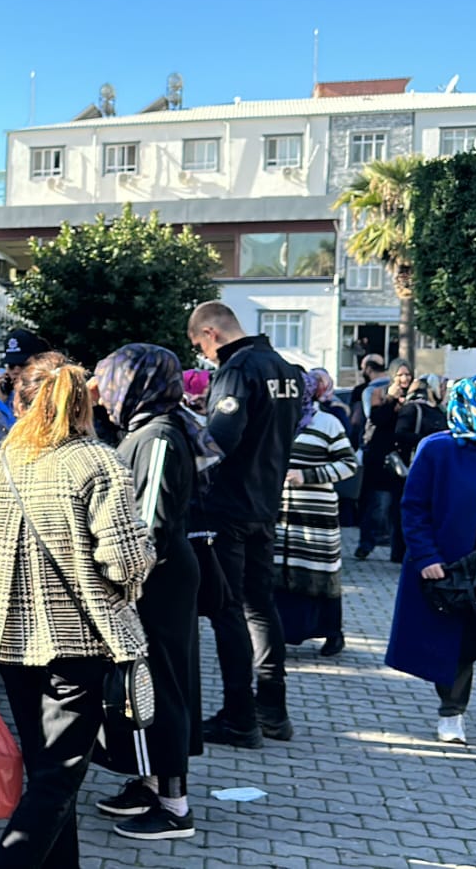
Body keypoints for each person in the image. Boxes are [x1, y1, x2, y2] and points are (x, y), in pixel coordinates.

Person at [0, 352, 155, 868]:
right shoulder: (99, 462)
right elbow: (125, 561)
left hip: (9, 643)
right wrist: (143, 560)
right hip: (80, 642)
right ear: (82, 403)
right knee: (54, 782)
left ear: (20, 402)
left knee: (48, 774)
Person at [90, 344, 214, 841]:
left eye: (112, 379)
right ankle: (148, 782)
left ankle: (174, 805)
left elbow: (151, 525)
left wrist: (121, 576)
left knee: (161, 683)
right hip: (148, 576)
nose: (103, 393)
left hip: (156, 580)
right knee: (144, 685)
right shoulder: (144, 429)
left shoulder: (158, 434)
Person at [186, 301, 303, 747]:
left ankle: (239, 716)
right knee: (260, 604)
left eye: (200, 344)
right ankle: (273, 708)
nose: (203, 354)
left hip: (227, 507)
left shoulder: (237, 370)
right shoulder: (288, 371)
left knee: (228, 609)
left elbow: (219, 441)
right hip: (265, 502)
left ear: (212, 333)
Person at [386, 374, 476, 744]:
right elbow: (413, 507)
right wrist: (426, 555)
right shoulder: (438, 448)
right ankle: (451, 715)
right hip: (455, 564)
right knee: (457, 643)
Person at [270, 370, 358, 659]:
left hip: (316, 516)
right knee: (281, 573)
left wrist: (307, 475)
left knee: (319, 573)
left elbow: (349, 464)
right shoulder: (278, 419)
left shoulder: (327, 422)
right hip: (281, 513)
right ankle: (282, 633)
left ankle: (333, 634)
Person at [390, 375, 449, 565]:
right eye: (441, 385)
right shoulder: (413, 408)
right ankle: (401, 552)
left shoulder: (440, 410)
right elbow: (400, 434)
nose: (443, 389)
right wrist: (427, 441)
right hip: (413, 466)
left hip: (436, 467)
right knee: (409, 508)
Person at [358, 360, 411, 560]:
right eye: (400, 375)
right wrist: (391, 399)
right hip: (381, 457)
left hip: (402, 456)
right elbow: (377, 419)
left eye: (407, 375)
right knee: (377, 504)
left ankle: (397, 551)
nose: (404, 379)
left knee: (398, 506)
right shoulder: (380, 393)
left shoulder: (413, 395)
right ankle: (366, 543)